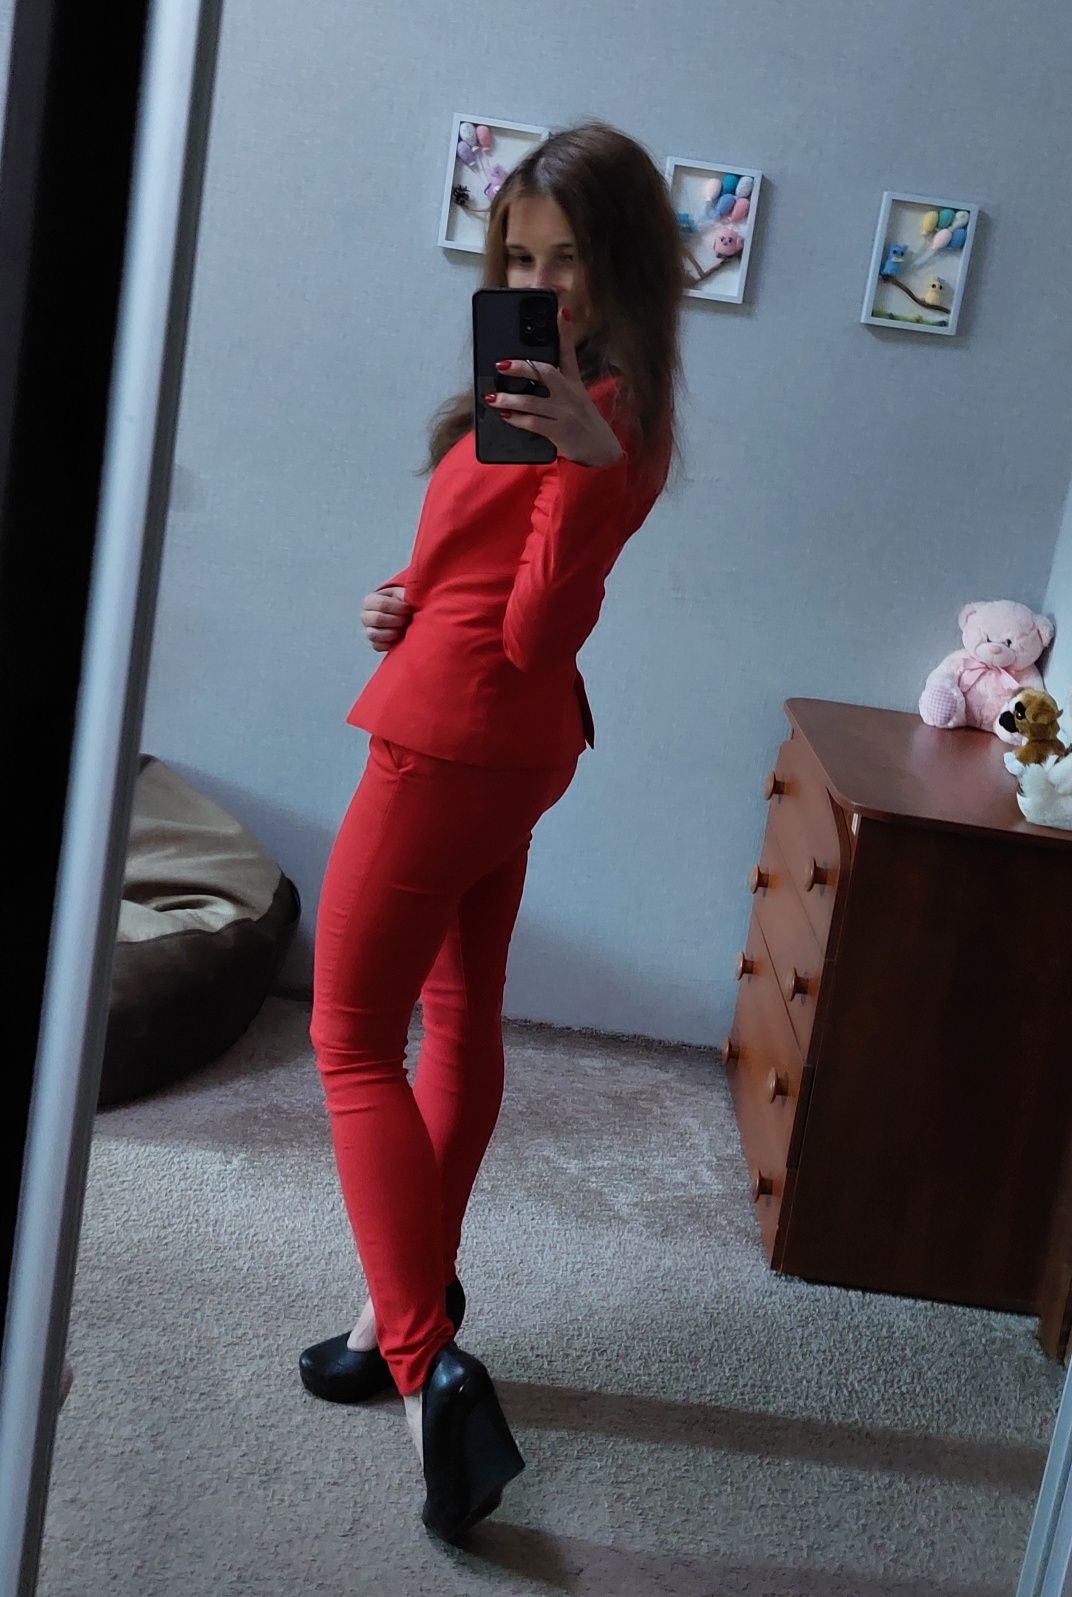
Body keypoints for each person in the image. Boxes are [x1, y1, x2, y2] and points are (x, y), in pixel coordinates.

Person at [301, 120, 685, 1543]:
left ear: (621, 269)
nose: (536, 285)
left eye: (566, 260)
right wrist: (397, 601)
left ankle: (426, 1365)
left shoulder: (607, 429)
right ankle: (397, 1311)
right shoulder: (555, 399)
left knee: (348, 1039)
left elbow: (533, 629)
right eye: (517, 257)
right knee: (458, 1012)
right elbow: (471, 567)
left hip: (452, 743)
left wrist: (586, 473)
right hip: (508, 746)